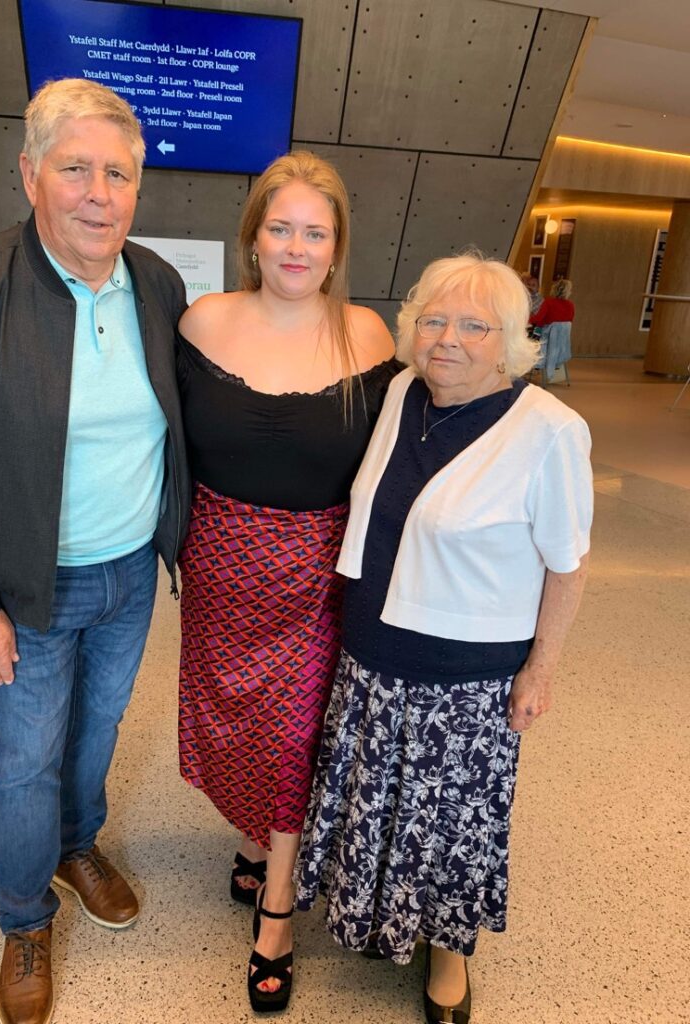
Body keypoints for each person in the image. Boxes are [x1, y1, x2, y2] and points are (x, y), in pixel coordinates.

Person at [0, 79, 190, 1024]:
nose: (98, 193)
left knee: (98, 729)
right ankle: (23, 916)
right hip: (23, 587)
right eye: (75, 168)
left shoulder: (157, 284)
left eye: (118, 173)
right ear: (30, 173)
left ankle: (78, 844)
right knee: (21, 758)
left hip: (126, 577)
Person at [296, 253, 592, 1024]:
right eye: (433, 319)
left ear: (510, 341)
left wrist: (541, 671)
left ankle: (449, 954)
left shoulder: (551, 432)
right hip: (370, 653)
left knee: (452, 824)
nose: (447, 339)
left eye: (473, 325)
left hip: (466, 679)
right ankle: (373, 915)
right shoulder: (402, 393)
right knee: (377, 798)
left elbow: (568, 566)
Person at [176, 150, 397, 1013]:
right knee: (230, 726)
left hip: (316, 578)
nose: (297, 248)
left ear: (338, 248)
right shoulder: (200, 321)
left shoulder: (370, 334)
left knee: (296, 736)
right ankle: (257, 838)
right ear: (253, 238)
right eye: (282, 228)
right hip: (219, 571)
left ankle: (276, 911)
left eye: (317, 232)